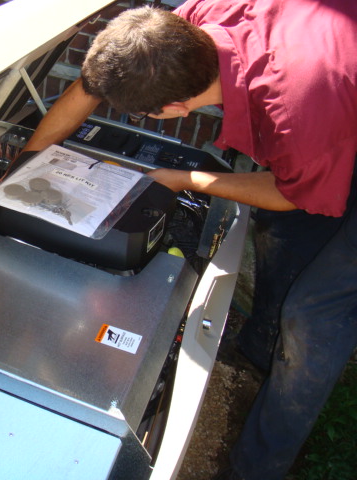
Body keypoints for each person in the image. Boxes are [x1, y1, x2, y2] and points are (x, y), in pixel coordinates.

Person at [20, 2, 357, 479]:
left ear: (175, 109)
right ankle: (259, 352)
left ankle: (255, 466)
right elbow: (87, 88)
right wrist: (24, 169)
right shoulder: (187, 24)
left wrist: (185, 179)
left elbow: (291, 192)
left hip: (330, 104)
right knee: (281, 233)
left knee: (313, 314)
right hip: (332, 104)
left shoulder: (296, 109)